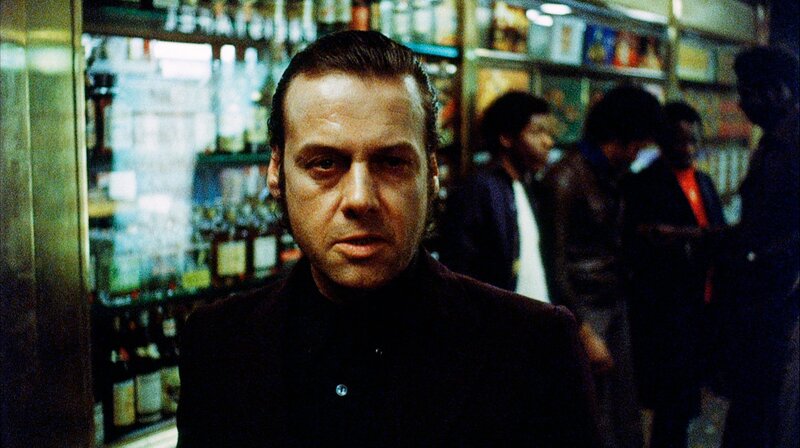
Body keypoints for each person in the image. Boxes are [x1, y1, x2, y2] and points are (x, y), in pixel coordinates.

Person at [176, 30, 600, 447]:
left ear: (431, 173)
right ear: (276, 173)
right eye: (324, 163)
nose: (360, 198)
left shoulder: (535, 348)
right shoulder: (217, 343)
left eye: (392, 163)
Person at [541, 85, 663, 448]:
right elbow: (554, 263)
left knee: (620, 414)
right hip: (584, 309)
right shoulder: (565, 177)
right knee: (591, 415)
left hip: (612, 302)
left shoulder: (609, 176)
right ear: (622, 137)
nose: (639, 154)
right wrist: (583, 329)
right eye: (638, 144)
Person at [622, 102, 725, 448]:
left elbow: (716, 232)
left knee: (687, 401)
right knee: (670, 403)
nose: (689, 149)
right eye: (681, 141)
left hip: (702, 301)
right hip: (667, 309)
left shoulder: (703, 181)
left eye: (694, 141)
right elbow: (640, 241)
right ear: (664, 141)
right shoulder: (645, 183)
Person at [714, 45, 799, 448]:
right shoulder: (772, 143)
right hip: (765, 299)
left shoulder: (789, 146)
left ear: (780, 90)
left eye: (751, 92)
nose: (744, 103)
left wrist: (767, 258)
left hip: (782, 302)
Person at [438, 92, 555, 301]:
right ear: (506, 138)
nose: (548, 142)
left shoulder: (528, 185)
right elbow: (460, 268)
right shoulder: (479, 189)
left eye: (548, 133)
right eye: (537, 132)